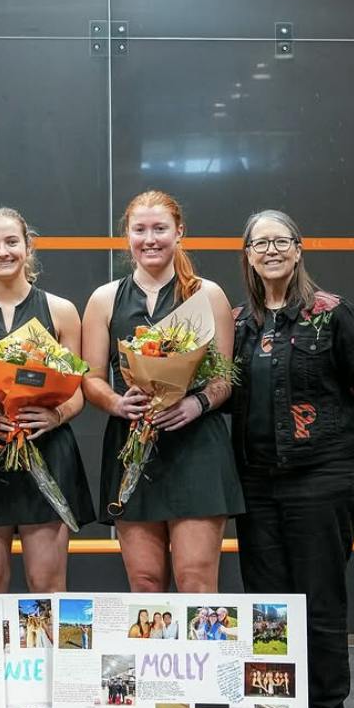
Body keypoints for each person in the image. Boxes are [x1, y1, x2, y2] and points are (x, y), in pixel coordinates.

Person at [231, 209, 354, 708]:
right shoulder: (238, 325)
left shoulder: (333, 315)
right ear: (247, 255)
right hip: (256, 484)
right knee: (267, 603)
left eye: (281, 241)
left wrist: (336, 455)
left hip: (323, 481)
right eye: (260, 243)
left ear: (298, 250)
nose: (271, 250)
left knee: (319, 599)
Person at [82, 190, 244, 593]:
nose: (150, 239)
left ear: (179, 232)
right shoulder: (105, 299)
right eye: (140, 230)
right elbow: (90, 380)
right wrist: (118, 403)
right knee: (146, 584)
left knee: (196, 582)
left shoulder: (208, 294)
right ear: (127, 236)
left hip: (197, 449)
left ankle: (204, 658)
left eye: (160, 229)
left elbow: (224, 379)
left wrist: (197, 402)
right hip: (133, 446)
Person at [0, 207, 95, 593]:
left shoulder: (62, 311)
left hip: (46, 450)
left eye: (12, 241)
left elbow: (78, 390)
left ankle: (51, 658)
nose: (3, 251)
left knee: (46, 584)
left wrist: (55, 417)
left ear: (28, 247)